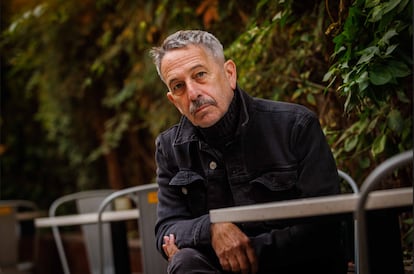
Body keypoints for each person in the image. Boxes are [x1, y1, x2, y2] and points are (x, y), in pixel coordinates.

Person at [149, 30, 347, 274]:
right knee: (184, 262)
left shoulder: (295, 126)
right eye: (178, 86)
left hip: (294, 266)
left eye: (200, 75)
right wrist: (211, 229)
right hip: (215, 269)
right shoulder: (170, 148)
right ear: (173, 100)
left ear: (229, 74)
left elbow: (324, 228)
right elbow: (166, 229)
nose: (193, 93)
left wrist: (242, 251)